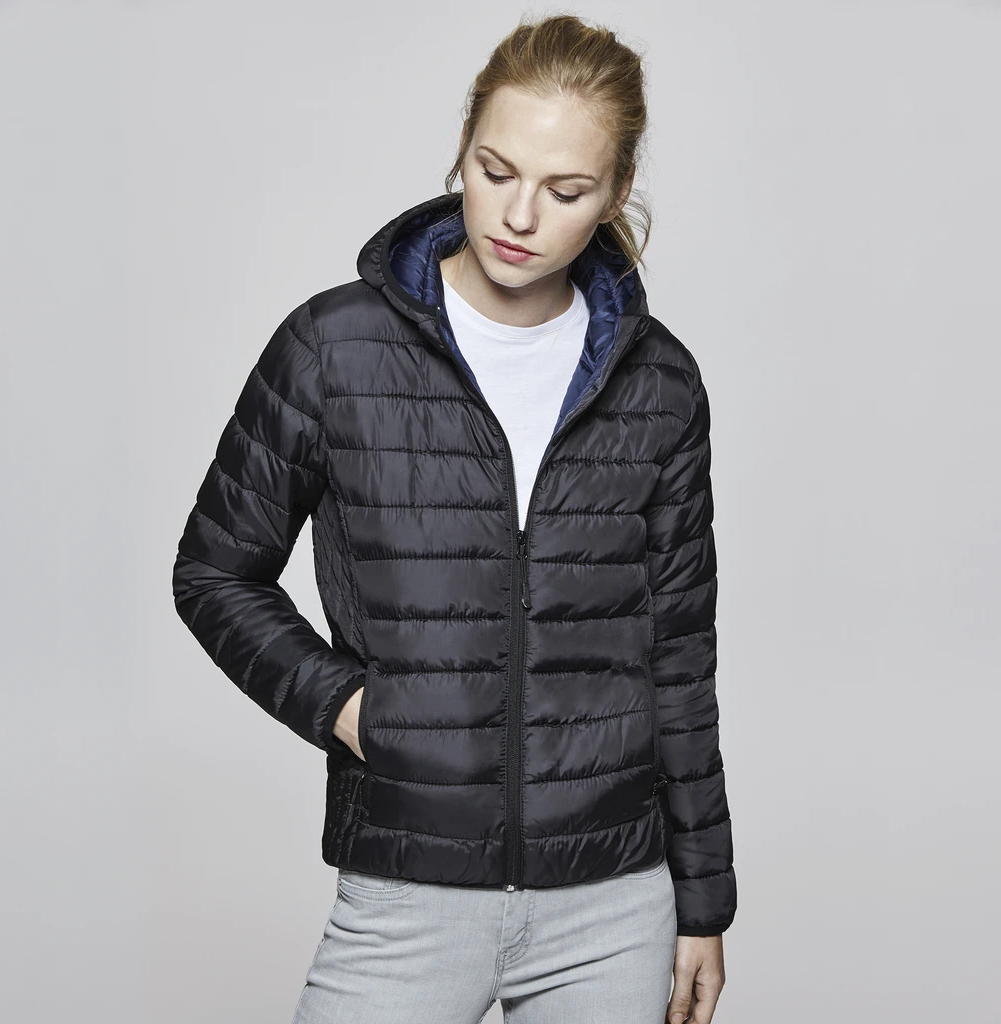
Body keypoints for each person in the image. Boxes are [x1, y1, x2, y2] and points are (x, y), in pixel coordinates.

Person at [172, 13, 736, 1024]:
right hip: (407, 886)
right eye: (495, 169)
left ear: (614, 194)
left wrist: (703, 903)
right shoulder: (334, 347)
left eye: (565, 190)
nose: (518, 214)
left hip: (613, 903)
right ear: (463, 148)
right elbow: (215, 572)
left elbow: (680, 657)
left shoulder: (659, 383)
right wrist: (348, 706)